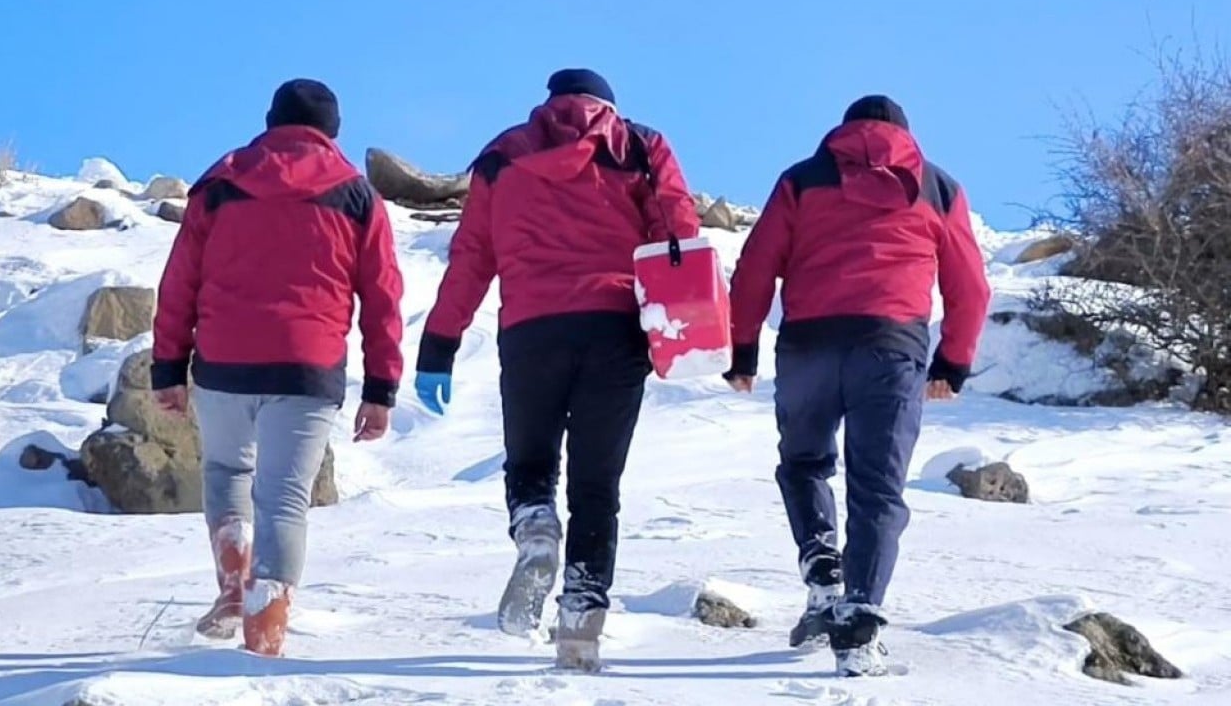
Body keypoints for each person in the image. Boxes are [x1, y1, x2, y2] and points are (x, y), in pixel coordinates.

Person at [414, 69, 700, 671]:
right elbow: (679, 230)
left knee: (531, 463)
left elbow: (472, 255)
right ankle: (580, 627)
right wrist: (688, 325)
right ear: (608, 107)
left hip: (530, 330)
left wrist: (439, 345)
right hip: (616, 329)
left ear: (547, 104)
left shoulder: (504, 153)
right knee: (597, 486)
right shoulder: (640, 145)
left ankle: (536, 529)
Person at [724, 95, 990, 676]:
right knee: (877, 487)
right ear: (905, 133)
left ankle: (822, 564)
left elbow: (754, 267)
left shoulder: (802, 179)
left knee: (802, 463)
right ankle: (858, 622)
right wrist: (952, 364)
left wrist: (743, 349)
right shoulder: (937, 186)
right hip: (890, 348)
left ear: (842, 131)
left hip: (809, 343)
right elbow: (970, 286)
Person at [151, 79, 404, 657]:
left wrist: (168, 368)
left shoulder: (219, 183)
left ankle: (233, 586)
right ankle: (264, 638)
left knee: (224, 473)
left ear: (270, 122)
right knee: (285, 498)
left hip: (224, 361)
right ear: (334, 130)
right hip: (307, 368)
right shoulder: (356, 194)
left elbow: (180, 281)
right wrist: (381, 388)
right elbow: (383, 295)